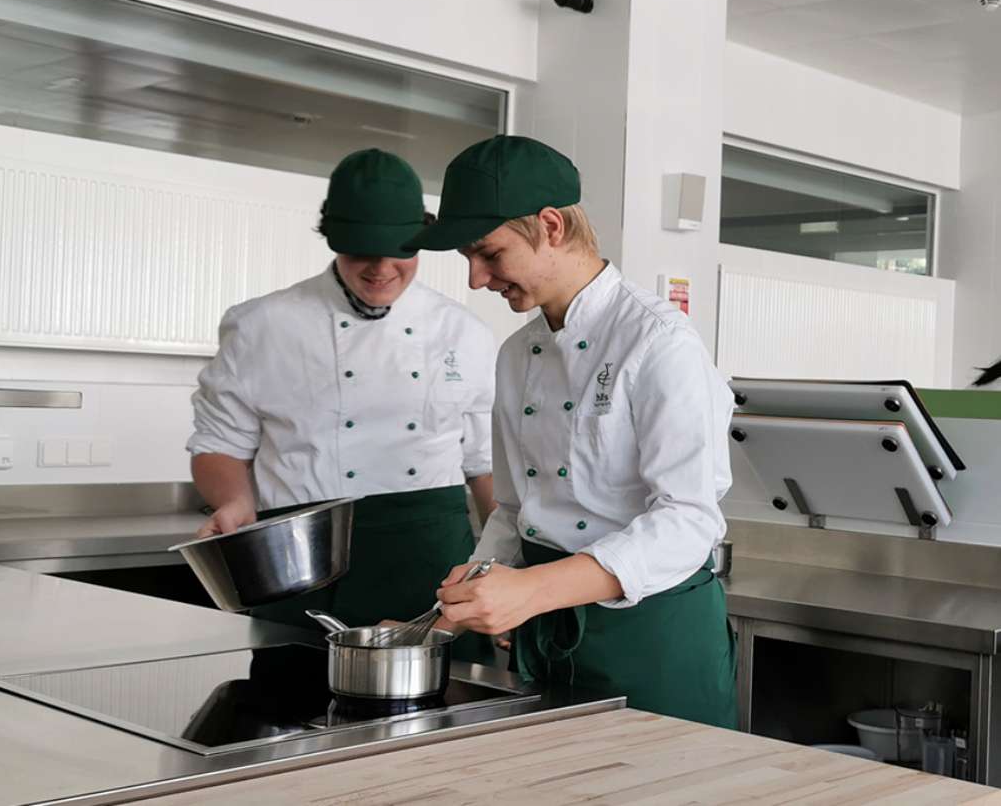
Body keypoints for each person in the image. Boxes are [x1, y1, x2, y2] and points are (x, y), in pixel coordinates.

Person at [403, 135, 737, 726]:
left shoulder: (659, 343)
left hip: (652, 636)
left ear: (551, 226)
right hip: (551, 636)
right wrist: (451, 610)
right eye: (468, 260)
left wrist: (532, 591)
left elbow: (689, 521)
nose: (478, 279)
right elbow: (513, 509)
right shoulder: (516, 355)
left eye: (489, 254)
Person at [187, 148, 497, 663]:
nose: (380, 270)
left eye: (399, 251)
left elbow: (486, 466)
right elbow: (219, 446)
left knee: (451, 716)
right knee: (290, 707)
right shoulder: (264, 324)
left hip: (431, 560)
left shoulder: (462, 332)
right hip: (301, 559)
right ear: (333, 242)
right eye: (361, 253)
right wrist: (234, 503)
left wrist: (504, 570)